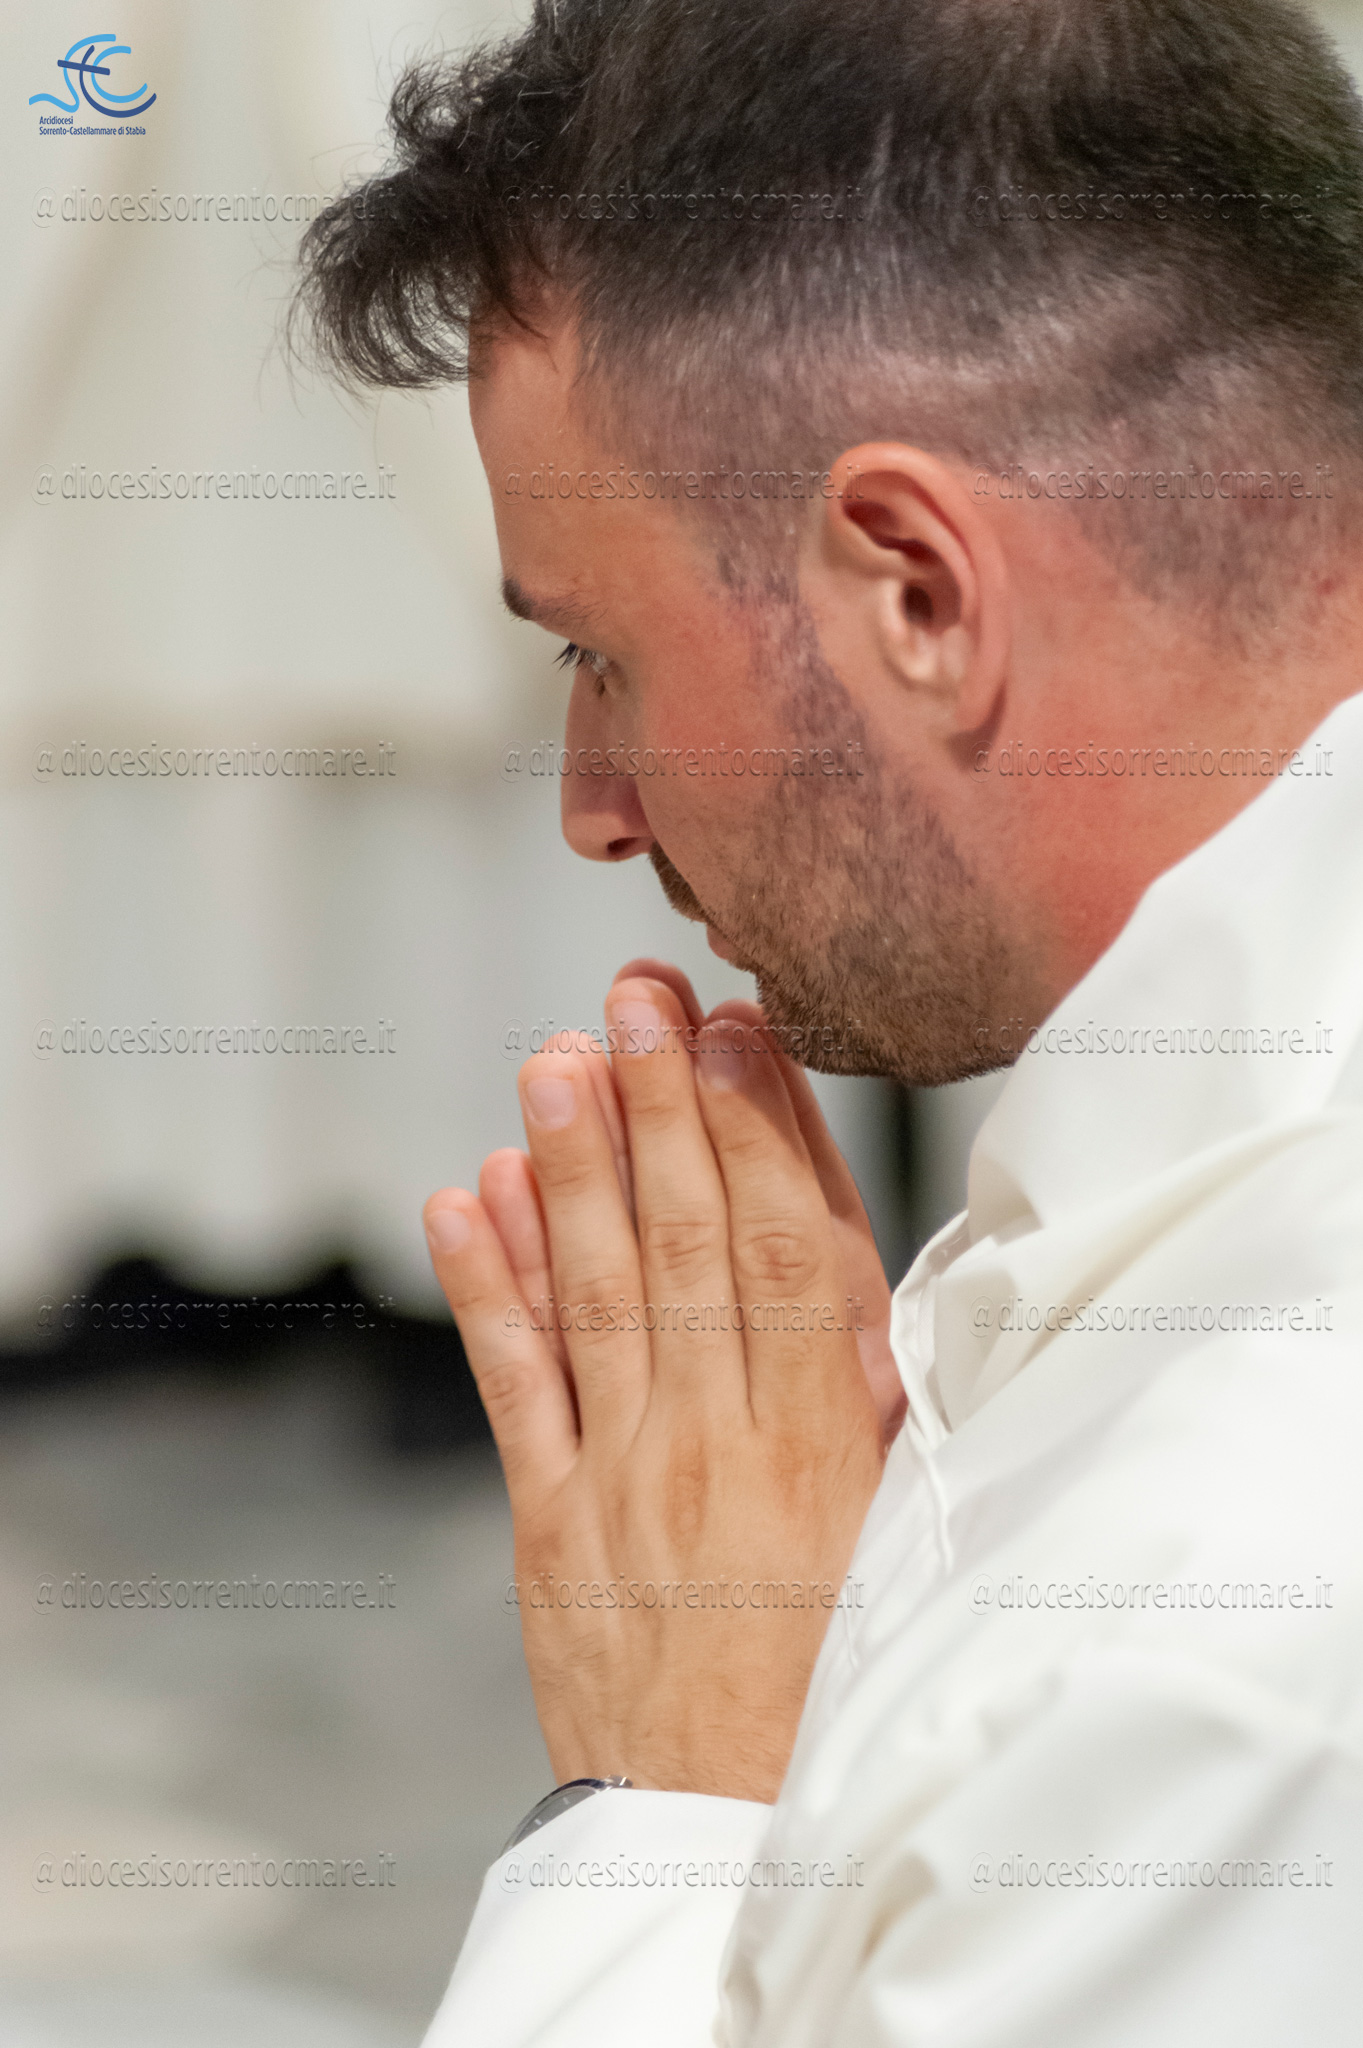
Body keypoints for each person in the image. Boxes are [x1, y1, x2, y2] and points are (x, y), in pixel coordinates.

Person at [293, 1, 1363, 2039]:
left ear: (918, 594)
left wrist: (673, 1796)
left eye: (601, 653)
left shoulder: (1209, 1656)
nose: (594, 806)